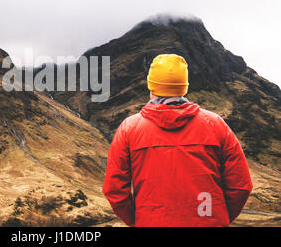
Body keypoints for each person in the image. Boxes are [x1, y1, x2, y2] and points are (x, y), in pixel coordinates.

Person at [102, 54, 252, 227]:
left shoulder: (129, 128)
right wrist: (218, 217)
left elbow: (115, 191)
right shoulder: (216, 124)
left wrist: (140, 221)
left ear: (152, 87)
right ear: (184, 87)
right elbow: (241, 186)